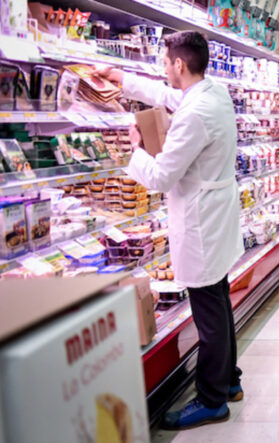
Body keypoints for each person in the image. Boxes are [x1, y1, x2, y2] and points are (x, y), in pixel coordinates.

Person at [96, 31, 246, 429]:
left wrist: (135, 151)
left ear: (179, 65)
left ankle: (212, 400)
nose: (164, 69)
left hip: (201, 223)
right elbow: (166, 96)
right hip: (215, 215)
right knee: (218, 301)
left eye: (165, 63)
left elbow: (162, 176)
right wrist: (121, 78)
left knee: (209, 313)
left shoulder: (195, 114)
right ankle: (229, 381)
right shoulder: (212, 92)